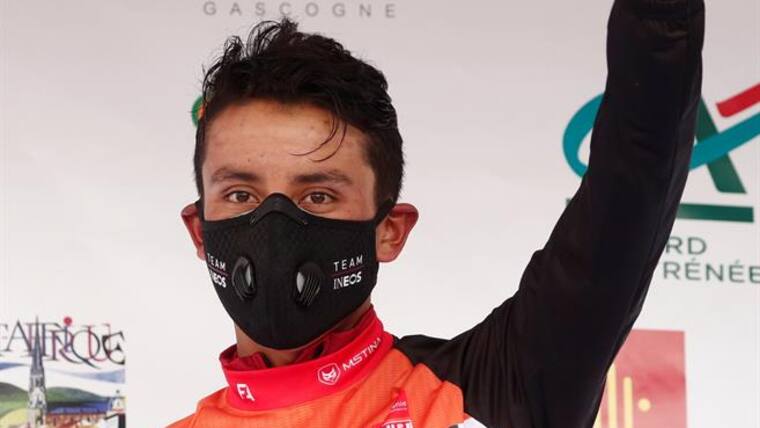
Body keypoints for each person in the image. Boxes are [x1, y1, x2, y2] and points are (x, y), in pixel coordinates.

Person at [171, 0, 705, 425]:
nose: (274, 222)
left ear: (389, 230)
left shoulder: (497, 391)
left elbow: (634, 179)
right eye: (240, 195)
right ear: (199, 231)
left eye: (319, 196)